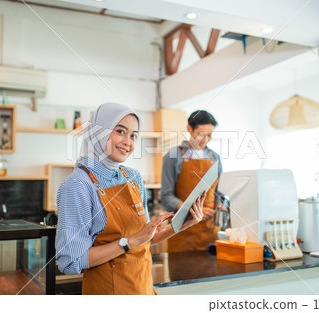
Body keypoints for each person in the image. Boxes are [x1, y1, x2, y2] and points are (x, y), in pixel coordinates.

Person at [55, 102, 205, 295]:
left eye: (134, 135)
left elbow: (145, 238)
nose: (128, 141)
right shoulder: (78, 184)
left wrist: (182, 224)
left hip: (142, 289)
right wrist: (129, 241)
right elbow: (71, 261)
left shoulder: (132, 177)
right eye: (120, 131)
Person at [161, 110, 223, 253]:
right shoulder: (173, 156)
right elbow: (166, 197)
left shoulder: (215, 158)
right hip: (182, 232)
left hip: (210, 232)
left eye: (209, 135)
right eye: (201, 134)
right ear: (189, 128)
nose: (205, 139)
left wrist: (221, 207)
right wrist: (194, 209)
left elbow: (219, 191)